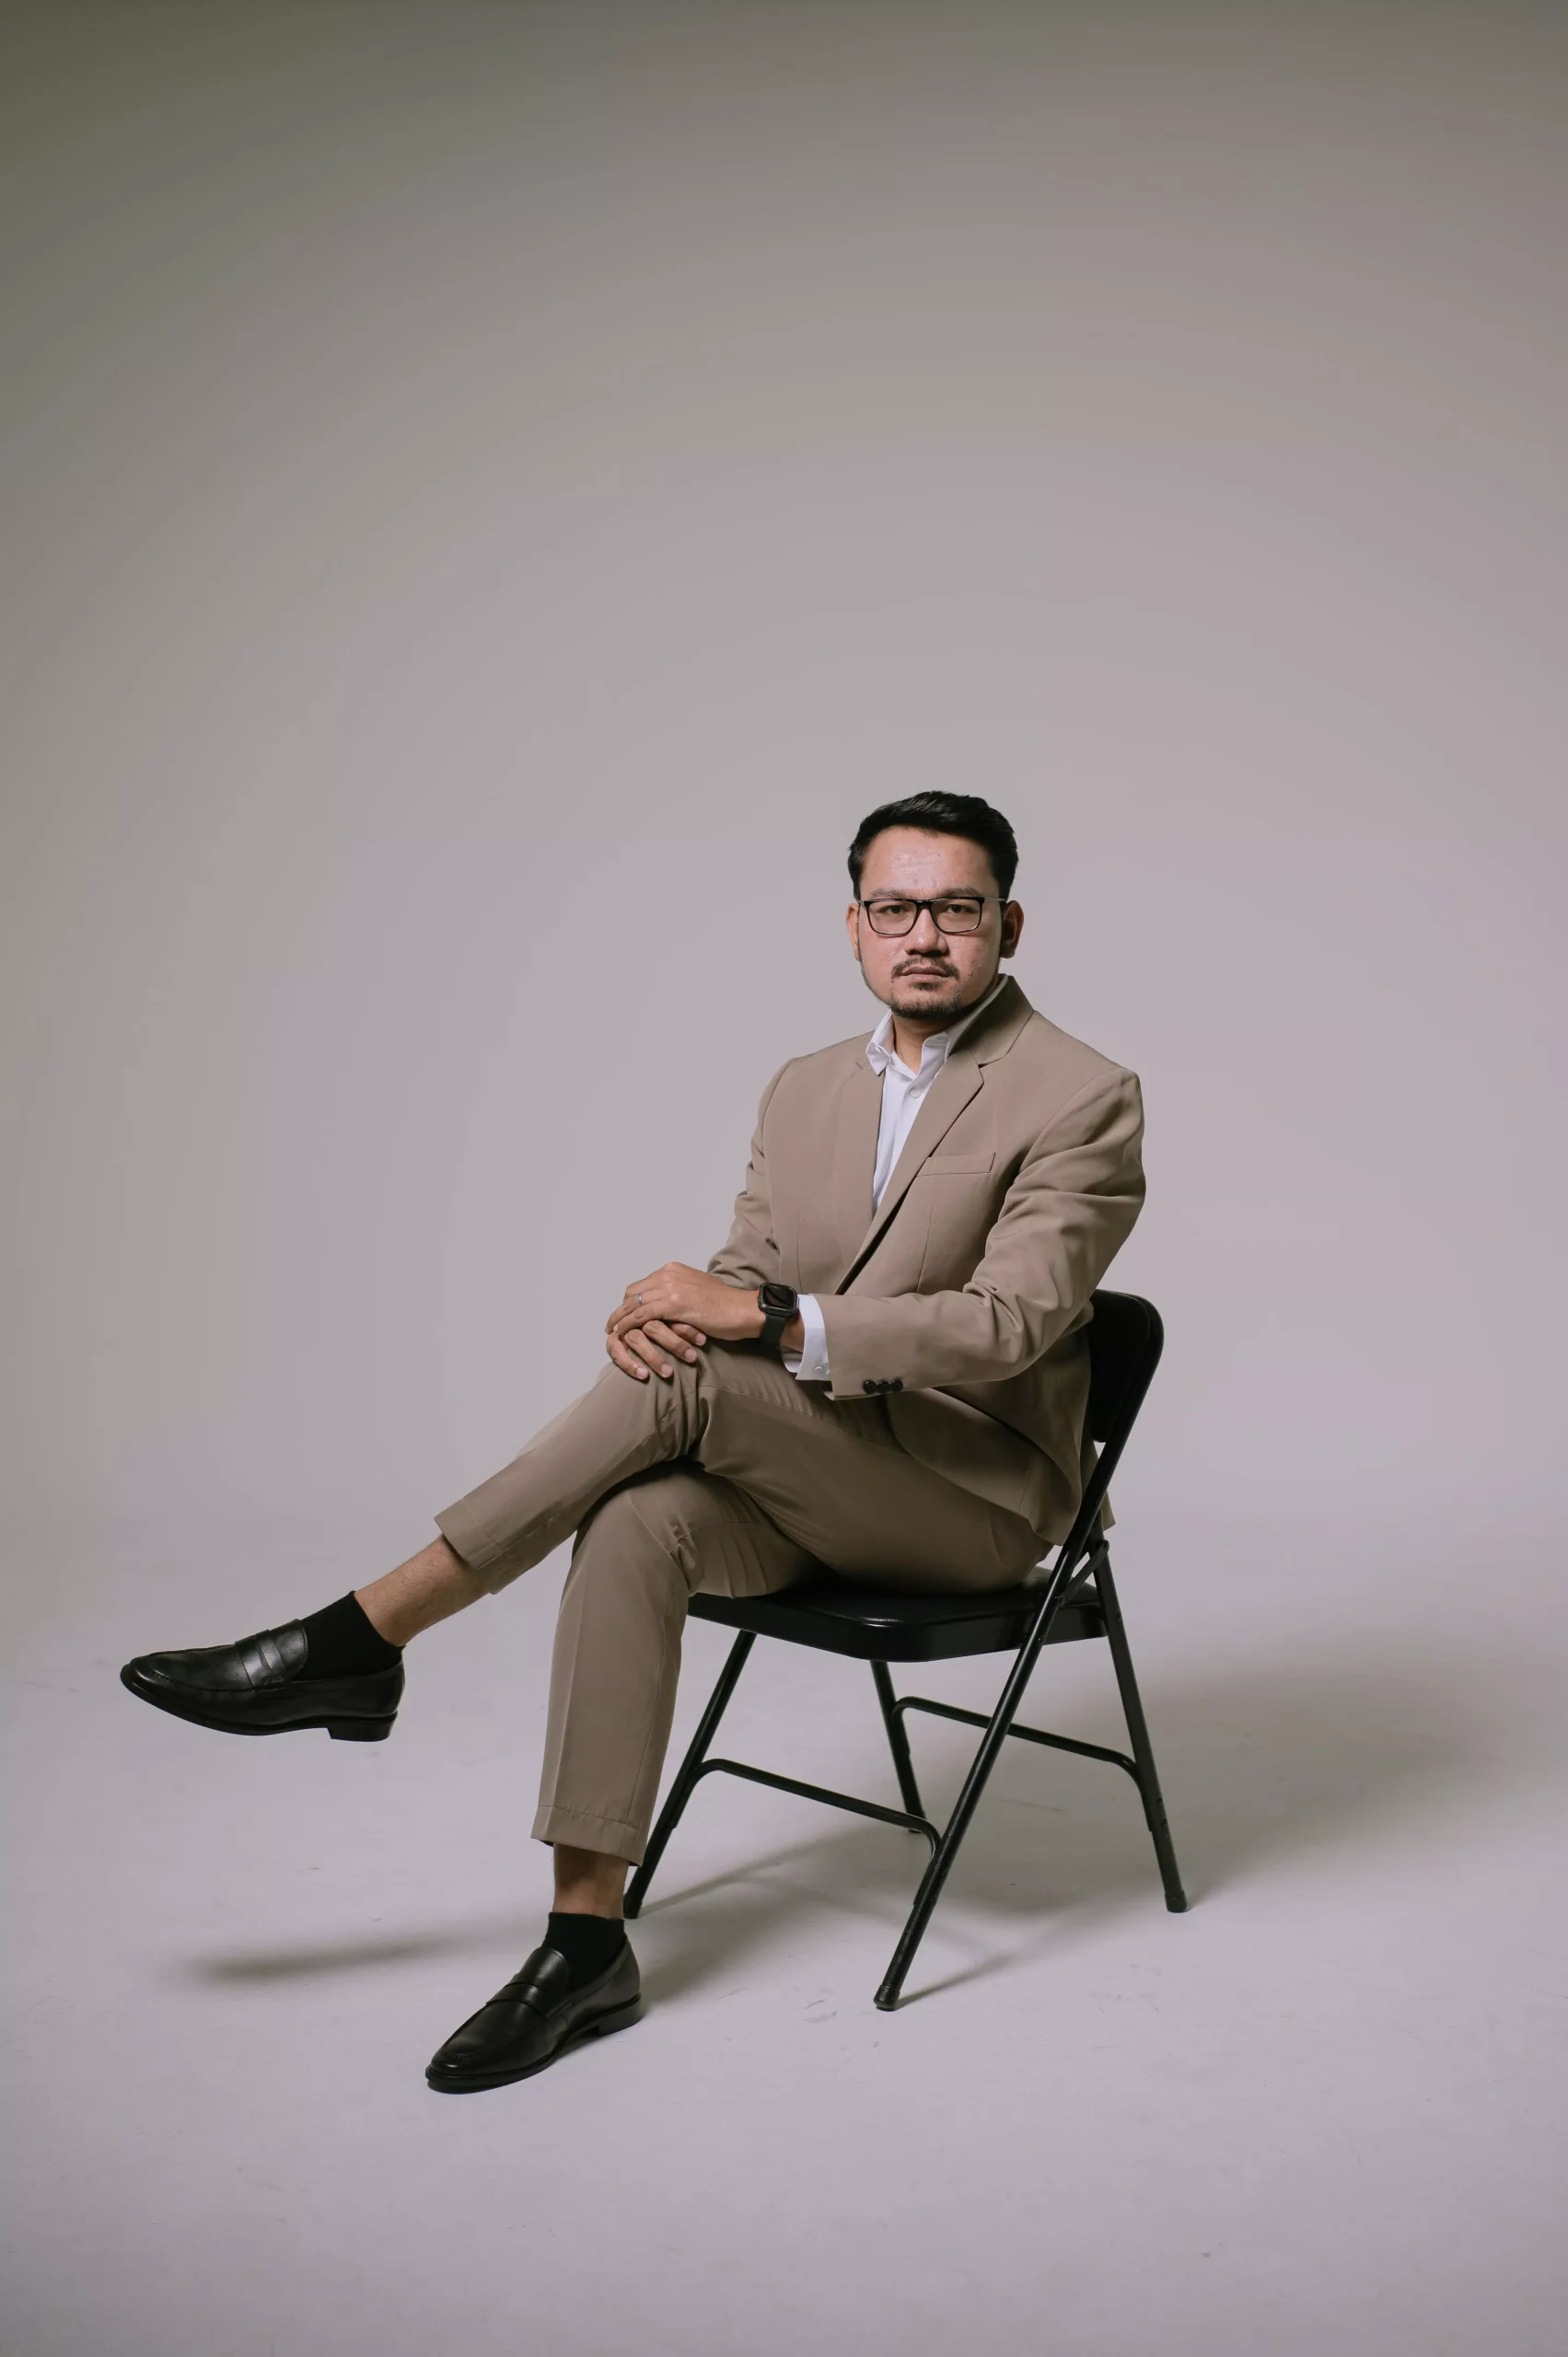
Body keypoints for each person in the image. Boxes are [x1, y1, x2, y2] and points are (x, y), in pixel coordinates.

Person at [122, 792, 1145, 2092]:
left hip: (970, 1507)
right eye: (895, 909)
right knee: (632, 1520)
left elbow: (1008, 1325)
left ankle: (361, 1637)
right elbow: (747, 1267)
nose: (924, 936)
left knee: (700, 1379)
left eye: (955, 908)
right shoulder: (804, 1088)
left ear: (1009, 924)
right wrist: (674, 1314)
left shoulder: (1081, 1093)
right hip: (818, 1474)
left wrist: (755, 1321)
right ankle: (585, 1942)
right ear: (852, 927)